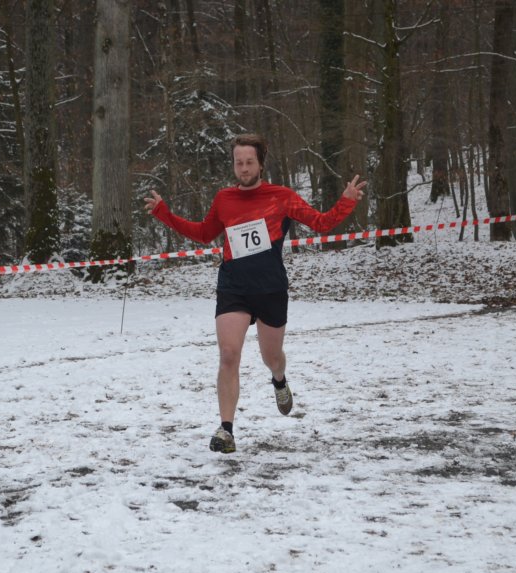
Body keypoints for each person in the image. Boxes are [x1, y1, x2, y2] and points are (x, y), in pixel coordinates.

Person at [144, 133, 366, 453]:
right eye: (239, 163)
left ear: (261, 164)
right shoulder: (224, 199)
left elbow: (321, 223)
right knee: (228, 354)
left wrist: (346, 201)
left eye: (249, 162)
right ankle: (226, 430)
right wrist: (164, 213)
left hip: (270, 288)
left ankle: (279, 378)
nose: (244, 168)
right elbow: (204, 234)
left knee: (271, 357)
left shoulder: (282, 196)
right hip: (233, 287)